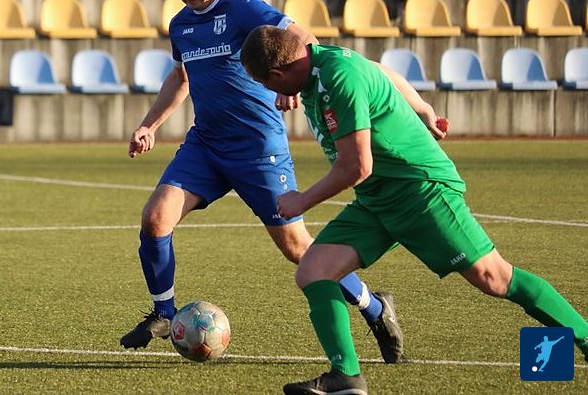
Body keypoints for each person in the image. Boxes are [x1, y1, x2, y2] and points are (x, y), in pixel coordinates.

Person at [240, 26, 588, 395]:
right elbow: (379, 69)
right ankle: (346, 376)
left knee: (494, 277)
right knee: (314, 270)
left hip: (420, 191)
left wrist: (302, 201)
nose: (269, 91)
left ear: (278, 73)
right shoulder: (316, 62)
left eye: (265, 83)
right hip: (377, 199)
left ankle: (583, 337)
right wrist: (420, 106)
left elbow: (357, 166)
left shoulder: (339, 77)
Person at [120, 0, 405, 367]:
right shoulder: (181, 25)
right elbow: (181, 78)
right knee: (155, 218)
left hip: (258, 149)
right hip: (206, 144)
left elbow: (304, 39)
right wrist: (149, 125)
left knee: (298, 248)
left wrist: (295, 80)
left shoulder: (245, 10)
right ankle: (164, 312)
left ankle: (375, 307)